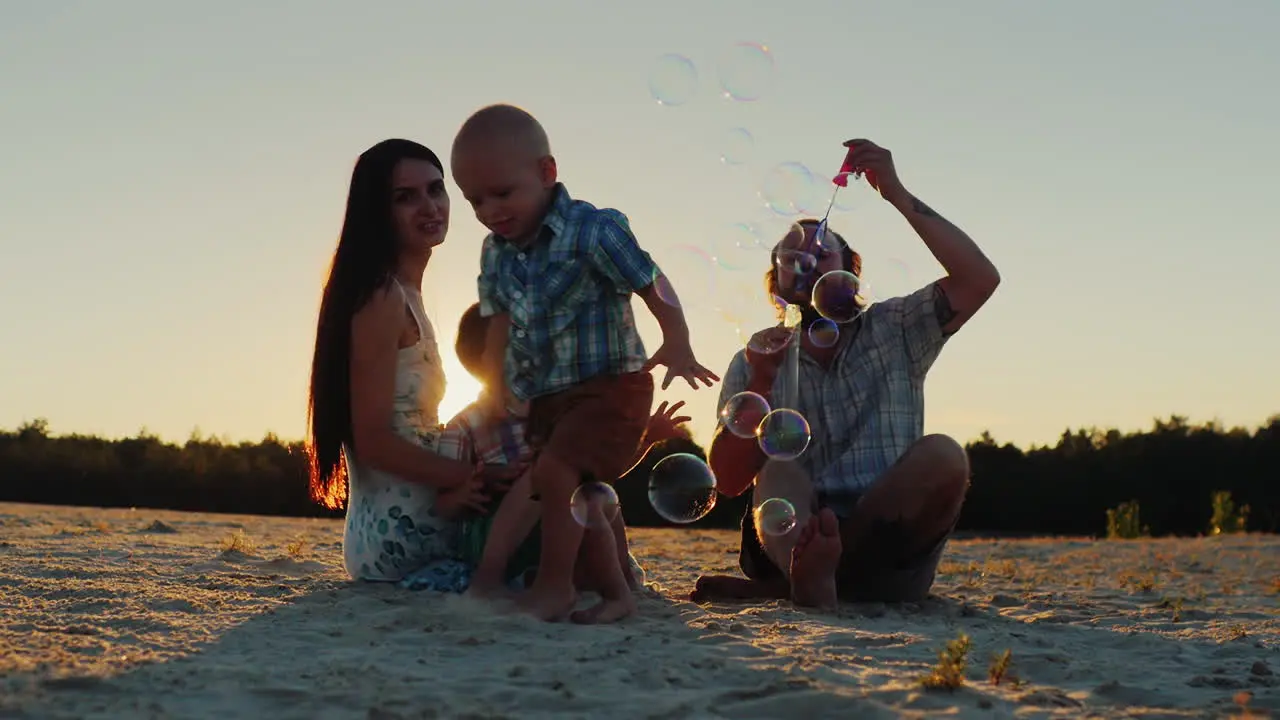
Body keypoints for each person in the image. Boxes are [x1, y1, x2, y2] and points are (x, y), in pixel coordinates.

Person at [690, 139, 1001, 610]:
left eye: (822, 251)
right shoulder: (755, 359)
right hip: (788, 539)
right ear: (777, 285)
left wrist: (895, 192)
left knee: (946, 455)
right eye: (792, 258)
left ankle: (813, 580)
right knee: (779, 467)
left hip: (891, 553)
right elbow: (729, 480)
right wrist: (760, 382)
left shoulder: (896, 327)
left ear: (851, 270)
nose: (808, 258)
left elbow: (979, 278)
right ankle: (805, 572)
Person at [450, 103, 719, 622]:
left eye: (502, 193)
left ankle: (556, 589)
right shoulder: (496, 252)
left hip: (612, 385)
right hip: (550, 392)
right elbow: (499, 317)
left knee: (557, 474)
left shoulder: (594, 229)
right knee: (566, 487)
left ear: (546, 173)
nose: (489, 211)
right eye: (474, 200)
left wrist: (678, 338)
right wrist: (495, 376)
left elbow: (651, 281)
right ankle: (615, 594)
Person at [305, 139, 520, 591]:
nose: (429, 205)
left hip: (427, 511)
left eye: (435, 190)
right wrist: (475, 477)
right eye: (405, 197)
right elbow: (374, 442)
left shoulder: (405, 295)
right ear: (377, 212)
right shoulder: (382, 299)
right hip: (400, 537)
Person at [441, 303, 695, 608]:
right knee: (541, 474)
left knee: (593, 489)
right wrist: (470, 489)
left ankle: (623, 582)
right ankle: (489, 579)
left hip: (556, 537)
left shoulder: (555, 412)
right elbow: (443, 504)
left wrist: (647, 439)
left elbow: (602, 470)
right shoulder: (465, 426)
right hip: (499, 540)